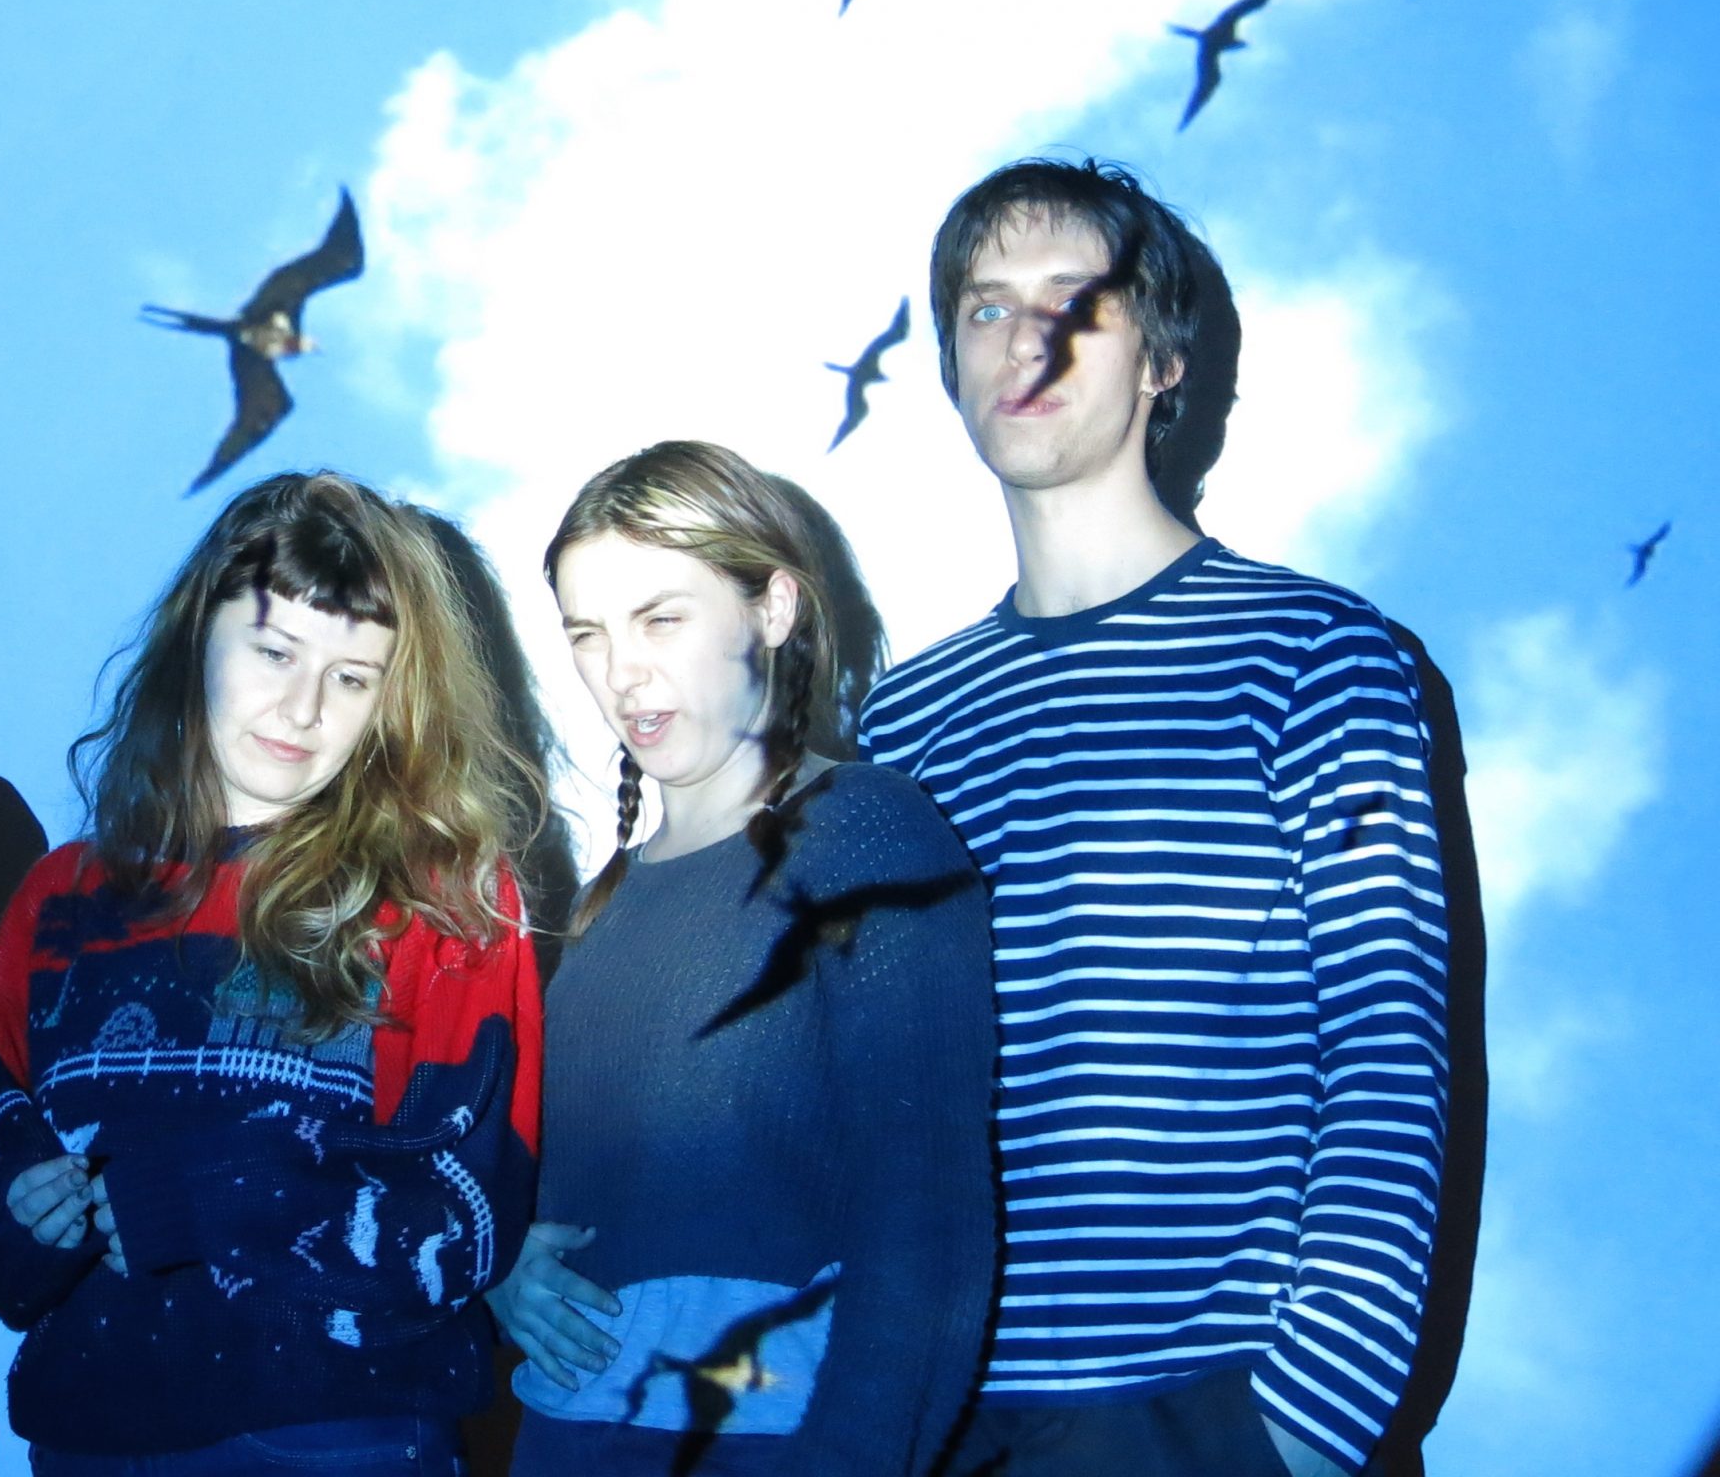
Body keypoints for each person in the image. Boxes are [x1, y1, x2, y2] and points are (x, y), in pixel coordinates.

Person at [857, 158, 1450, 1477]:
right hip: (934, 1426)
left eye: (1077, 300)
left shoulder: (1313, 656)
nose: (1025, 338)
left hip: (1208, 1416)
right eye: (986, 307)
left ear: (1163, 362)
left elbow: (1386, 1049)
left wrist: (1298, 1429)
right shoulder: (901, 726)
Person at [0, 471, 544, 1476]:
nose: (301, 708)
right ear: (198, 634)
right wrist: (23, 1228)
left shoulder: (443, 905)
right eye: (274, 652)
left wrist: (210, 1199)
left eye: (351, 678)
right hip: (85, 1434)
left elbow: (468, 1222)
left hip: (332, 1438)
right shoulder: (56, 902)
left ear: (394, 702)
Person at [493, 439, 996, 1476]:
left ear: (772, 608)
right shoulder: (595, 908)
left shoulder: (866, 833)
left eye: (660, 619)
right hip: (563, 1442)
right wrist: (499, 1268)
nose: (621, 672)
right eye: (587, 634)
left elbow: (929, 1228)